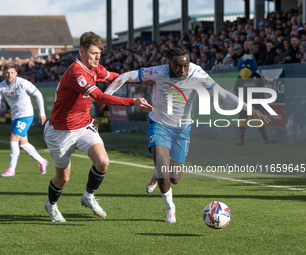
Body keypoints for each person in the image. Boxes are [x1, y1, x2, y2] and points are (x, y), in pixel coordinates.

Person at [105, 46, 270, 223]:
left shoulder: (197, 73)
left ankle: (157, 172)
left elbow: (223, 93)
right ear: (169, 64)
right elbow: (126, 76)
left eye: (186, 65)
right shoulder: (158, 72)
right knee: (163, 173)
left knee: (174, 178)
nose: (183, 70)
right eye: (178, 66)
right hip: (159, 125)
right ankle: (170, 208)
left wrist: (250, 109)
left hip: (182, 129)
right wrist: (104, 97)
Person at [43, 31, 153, 223]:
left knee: (102, 162)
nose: (97, 57)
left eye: (99, 54)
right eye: (93, 53)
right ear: (82, 52)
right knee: (63, 178)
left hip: (84, 126)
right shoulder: (76, 72)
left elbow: (115, 77)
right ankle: (51, 206)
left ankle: (88, 196)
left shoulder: (95, 69)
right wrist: (132, 101)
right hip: (60, 131)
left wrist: (141, 80)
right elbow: (100, 98)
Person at [0, 63, 49, 177]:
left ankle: (11, 169)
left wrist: (42, 113)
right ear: (4, 73)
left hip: (26, 115)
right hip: (15, 116)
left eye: (12, 72)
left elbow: (38, 94)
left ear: (16, 73)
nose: (9, 75)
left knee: (13, 138)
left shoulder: (22, 83)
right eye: (7, 73)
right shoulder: (1, 86)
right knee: (23, 143)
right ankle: (42, 161)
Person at [234, 55, 276, 145]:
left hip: (255, 103)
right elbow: (236, 92)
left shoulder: (257, 76)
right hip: (243, 104)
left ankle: (266, 139)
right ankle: (241, 140)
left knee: (257, 121)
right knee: (242, 120)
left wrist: (262, 104)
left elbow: (261, 91)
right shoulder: (239, 78)